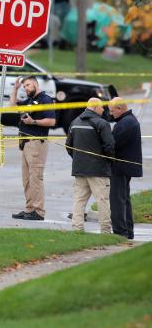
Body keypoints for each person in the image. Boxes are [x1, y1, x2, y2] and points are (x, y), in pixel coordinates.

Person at [66, 98, 115, 234]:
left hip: (79, 169)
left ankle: (77, 228)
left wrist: (77, 158)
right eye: (101, 107)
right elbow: (109, 146)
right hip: (99, 171)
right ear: (95, 107)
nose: (103, 109)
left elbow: (68, 145)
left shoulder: (75, 122)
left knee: (79, 200)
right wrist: (109, 161)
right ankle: (105, 230)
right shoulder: (102, 123)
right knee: (102, 200)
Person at [10, 76, 56, 221]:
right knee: (26, 179)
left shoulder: (45, 100)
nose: (26, 88)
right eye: (24, 87)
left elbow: (51, 121)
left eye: (28, 85)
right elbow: (12, 108)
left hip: (36, 142)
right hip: (25, 143)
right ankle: (29, 208)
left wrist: (33, 121)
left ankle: (39, 211)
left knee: (36, 178)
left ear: (36, 84)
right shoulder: (29, 101)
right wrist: (15, 89)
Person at [109, 98, 143, 239]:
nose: (111, 114)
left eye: (112, 111)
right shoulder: (128, 120)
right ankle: (128, 231)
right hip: (126, 167)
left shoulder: (125, 123)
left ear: (120, 108)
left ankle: (120, 232)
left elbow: (112, 143)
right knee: (124, 199)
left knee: (117, 200)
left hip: (120, 167)